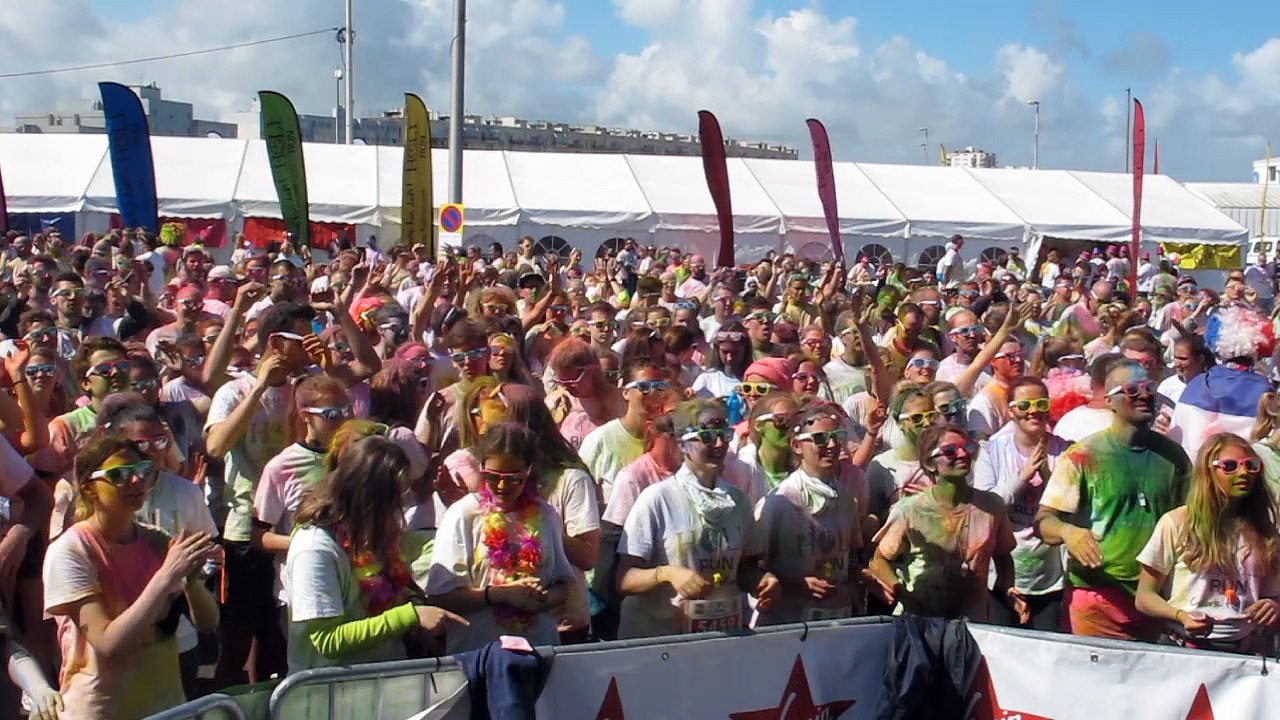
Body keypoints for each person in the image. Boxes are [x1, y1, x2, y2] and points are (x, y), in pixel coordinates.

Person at [43, 434, 219, 719]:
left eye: (141, 471)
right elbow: (109, 645)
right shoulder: (71, 550)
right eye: (119, 475)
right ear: (89, 489)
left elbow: (208, 623)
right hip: (101, 709)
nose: (136, 481)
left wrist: (191, 583)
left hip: (163, 707)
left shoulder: (156, 540)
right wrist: (167, 575)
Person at [1036, 359, 1191, 641]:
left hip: (1155, 597)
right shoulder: (1083, 455)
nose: (1144, 395)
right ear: (1110, 401)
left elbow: (1189, 520)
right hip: (1095, 597)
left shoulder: (1174, 457)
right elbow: (1044, 521)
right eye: (1132, 389)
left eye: (1148, 387)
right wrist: (1068, 532)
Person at [285, 435, 463, 672]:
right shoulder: (314, 549)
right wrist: (411, 617)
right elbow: (327, 640)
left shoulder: (371, 536)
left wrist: (415, 613)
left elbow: (391, 594)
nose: (400, 508)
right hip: (327, 697)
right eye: (394, 499)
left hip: (380, 688)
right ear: (369, 499)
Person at [616, 400, 779, 638]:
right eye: (707, 436)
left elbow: (742, 570)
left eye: (724, 433)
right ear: (683, 443)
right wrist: (666, 573)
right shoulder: (657, 499)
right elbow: (624, 579)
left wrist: (764, 581)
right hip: (664, 642)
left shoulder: (737, 500)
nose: (720, 443)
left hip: (722, 638)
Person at [427, 423, 575, 653]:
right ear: (481, 468)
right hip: (479, 652)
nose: (503, 486)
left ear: (528, 472)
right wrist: (501, 595)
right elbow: (440, 596)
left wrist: (539, 599)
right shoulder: (463, 514)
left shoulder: (545, 514)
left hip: (538, 647)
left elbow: (563, 583)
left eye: (514, 478)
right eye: (492, 477)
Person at [1134, 434, 1280, 654]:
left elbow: (1273, 594)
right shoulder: (1176, 523)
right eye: (1230, 466)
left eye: (1251, 465)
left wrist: (1273, 606)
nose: (1243, 473)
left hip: (1244, 654)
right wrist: (1180, 616)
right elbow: (1144, 597)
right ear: (1208, 472)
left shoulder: (1265, 531)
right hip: (1183, 649)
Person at [869, 423, 1022, 623]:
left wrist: (1007, 589)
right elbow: (878, 560)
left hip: (973, 624)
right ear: (930, 463)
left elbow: (1003, 556)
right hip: (920, 623)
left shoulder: (992, 506)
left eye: (966, 447)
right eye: (949, 451)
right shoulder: (909, 510)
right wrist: (903, 594)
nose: (962, 454)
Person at [754, 405, 867, 626]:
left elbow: (851, 558)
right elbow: (752, 568)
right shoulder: (779, 502)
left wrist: (858, 582)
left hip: (837, 623)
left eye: (837, 437)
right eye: (820, 439)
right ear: (797, 446)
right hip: (789, 625)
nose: (832, 445)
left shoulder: (845, 499)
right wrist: (795, 583)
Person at [972, 377, 1069, 630]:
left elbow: (1073, 508)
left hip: (1052, 577)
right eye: (1024, 405)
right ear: (1011, 410)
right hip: (1003, 575)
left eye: (1041, 403)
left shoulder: (1067, 452)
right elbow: (985, 508)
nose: (1034, 411)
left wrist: (1048, 477)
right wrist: (1023, 476)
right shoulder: (991, 451)